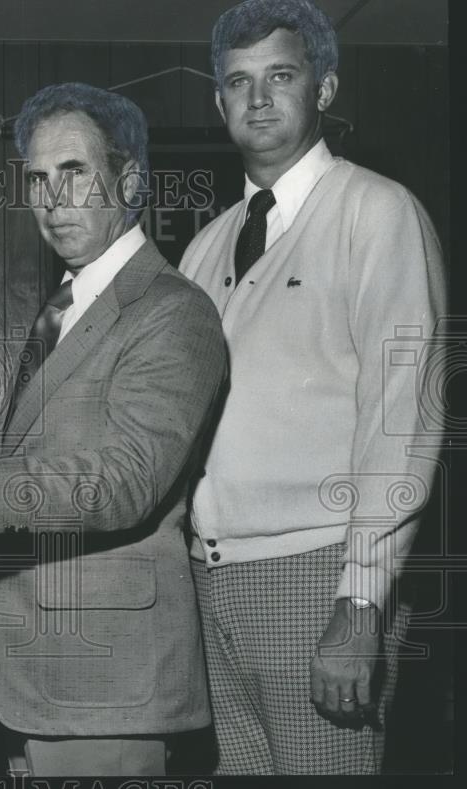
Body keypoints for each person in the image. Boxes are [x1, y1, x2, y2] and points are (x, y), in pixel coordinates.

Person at [0, 82, 227, 776]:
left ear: (129, 180)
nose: (51, 198)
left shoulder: (172, 311)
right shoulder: (66, 306)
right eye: (36, 178)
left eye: (74, 172)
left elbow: (125, 482)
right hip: (35, 683)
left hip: (106, 683)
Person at [179, 0, 447, 774]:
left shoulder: (377, 211)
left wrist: (360, 600)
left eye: (281, 76)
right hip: (215, 577)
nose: (258, 98)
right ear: (218, 102)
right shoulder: (205, 247)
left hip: (318, 571)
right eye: (238, 82)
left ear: (324, 90)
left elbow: (403, 420)